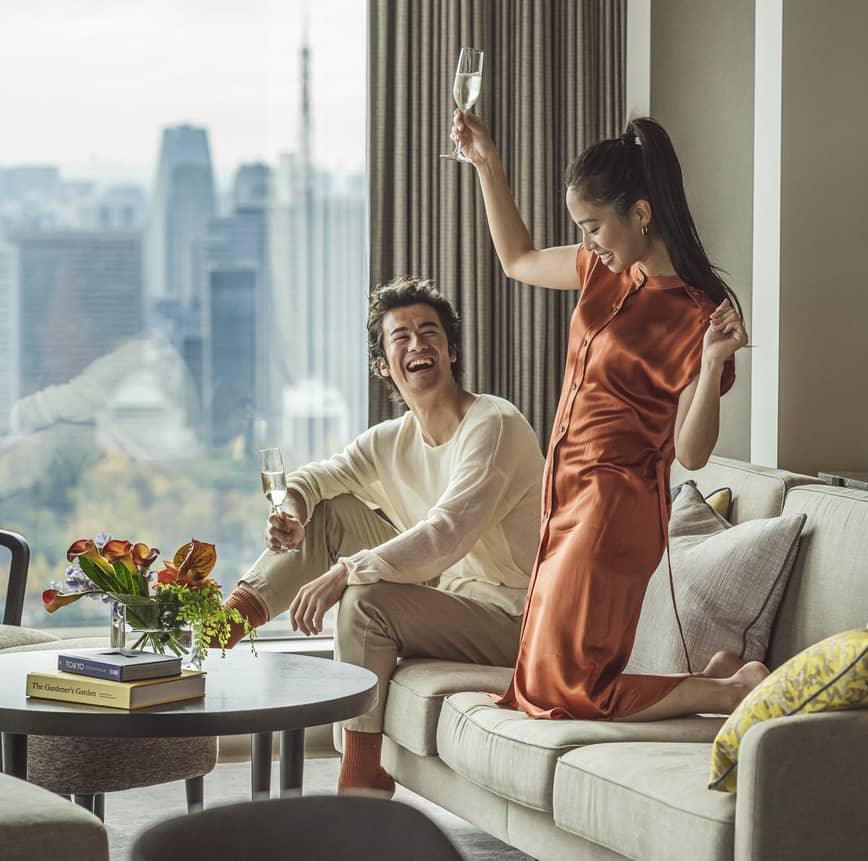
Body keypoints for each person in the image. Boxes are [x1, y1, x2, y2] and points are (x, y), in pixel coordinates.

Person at [450, 110, 764, 723]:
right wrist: (487, 163)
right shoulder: (601, 270)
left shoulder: (699, 314)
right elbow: (517, 260)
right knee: (538, 677)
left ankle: (731, 692)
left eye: (594, 226)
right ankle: (723, 676)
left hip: (615, 507)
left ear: (640, 214)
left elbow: (692, 453)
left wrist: (711, 359)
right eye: (581, 228)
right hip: (564, 493)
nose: (587, 241)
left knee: (570, 688)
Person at [221, 277, 545, 794]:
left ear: (452, 349)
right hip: (451, 598)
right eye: (402, 337)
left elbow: (446, 534)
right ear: (383, 365)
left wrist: (345, 571)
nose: (417, 344)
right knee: (328, 511)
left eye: (429, 332)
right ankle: (221, 628)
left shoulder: (494, 423)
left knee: (364, 599)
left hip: (517, 620)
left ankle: (361, 776)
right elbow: (314, 479)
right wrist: (289, 509)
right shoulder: (392, 439)